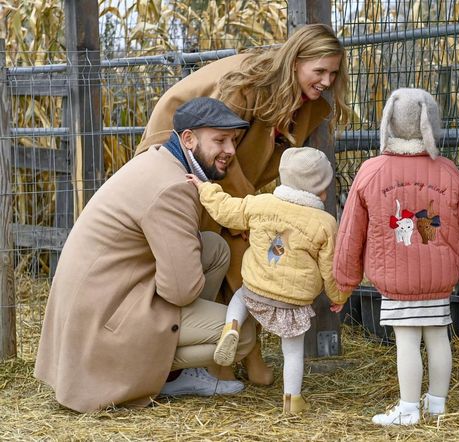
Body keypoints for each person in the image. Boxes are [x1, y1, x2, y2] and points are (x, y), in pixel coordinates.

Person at [136, 23, 350, 385]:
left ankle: (239, 356)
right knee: (228, 246)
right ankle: (224, 358)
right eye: (320, 71)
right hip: (192, 159)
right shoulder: (247, 84)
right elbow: (218, 144)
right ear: (296, 61)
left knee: (246, 246)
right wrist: (251, 211)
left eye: (333, 72)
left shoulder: (306, 103)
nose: (328, 80)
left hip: (232, 176)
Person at [34, 97, 259, 413]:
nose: (231, 151)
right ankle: (160, 374)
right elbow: (180, 291)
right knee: (242, 334)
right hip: (105, 324)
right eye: (219, 140)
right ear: (188, 139)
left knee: (214, 248)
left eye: (233, 141)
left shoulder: (160, 160)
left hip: (100, 300)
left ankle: (181, 371)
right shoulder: (172, 187)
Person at [333, 88, 459, 426]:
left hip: (396, 278)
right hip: (439, 278)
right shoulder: (448, 172)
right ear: (431, 123)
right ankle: (437, 405)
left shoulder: (371, 171)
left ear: (388, 122)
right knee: (438, 337)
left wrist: (343, 279)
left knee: (406, 341)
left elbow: (351, 230)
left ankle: (408, 409)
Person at [186, 146, 350, 413]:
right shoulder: (324, 223)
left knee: (240, 295)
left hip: (256, 288)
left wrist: (205, 188)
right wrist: (338, 296)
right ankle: (292, 400)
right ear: (321, 189)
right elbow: (330, 267)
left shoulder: (260, 203)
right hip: (293, 302)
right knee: (293, 351)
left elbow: (226, 210)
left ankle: (232, 326)